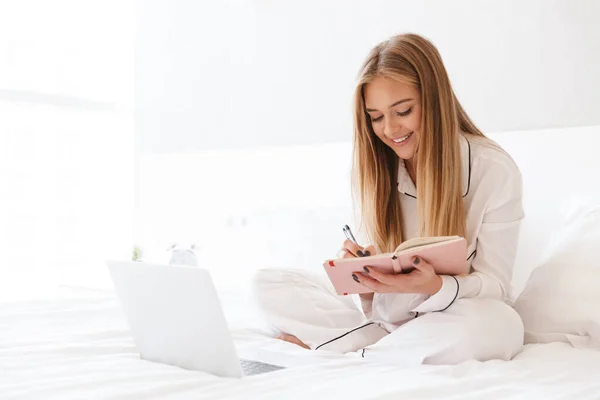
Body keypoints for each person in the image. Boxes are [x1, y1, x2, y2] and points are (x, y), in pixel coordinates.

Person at [252, 33, 525, 365]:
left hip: (450, 317)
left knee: (501, 324)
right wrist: (363, 281)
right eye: (376, 117)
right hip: (388, 322)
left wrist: (437, 285)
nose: (390, 130)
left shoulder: (493, 169)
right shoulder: (376, 168)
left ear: (434, 100)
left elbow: (495, 285)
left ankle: (340, 354)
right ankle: (377, 351)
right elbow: (376, 306)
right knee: (268, 284)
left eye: (403, 111)